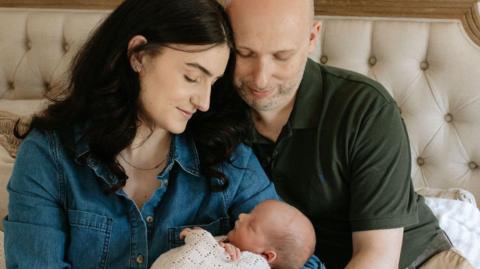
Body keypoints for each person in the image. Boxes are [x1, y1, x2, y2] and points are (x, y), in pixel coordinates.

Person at [3, 0, 280, 268]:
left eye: (214, 82)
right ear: (139, 55)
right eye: (192, 77)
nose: (204, 102)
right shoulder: (48, 156)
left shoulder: (228, 159)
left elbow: (297, 260)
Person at [224, 0, 474, 268]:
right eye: (245, 53)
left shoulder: (365, 108)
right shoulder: (210, 105)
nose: (261, 78)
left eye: (281, 56)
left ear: (312, 37)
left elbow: (377, 257)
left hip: (412, 260)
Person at [151, 200, 316, 269]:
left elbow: (202, 252)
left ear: (265, 256)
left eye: (251, 225)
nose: (242, 216)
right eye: (250, 212)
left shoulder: (254, 265)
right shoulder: (233, 249)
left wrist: (197, 236)